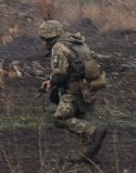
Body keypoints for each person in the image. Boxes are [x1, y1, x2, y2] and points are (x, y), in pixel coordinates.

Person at [38, 20, 109, 162]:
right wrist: (51, 81)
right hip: (87, 87)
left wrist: (52, 82)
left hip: (73, 89)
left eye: (43, 39)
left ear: (49, 37)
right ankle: (87, 155)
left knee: (61, 118)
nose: (42, 43)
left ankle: (94, 131)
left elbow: (60, 74)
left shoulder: (59, 46)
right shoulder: (76, 43)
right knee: (78, 117)